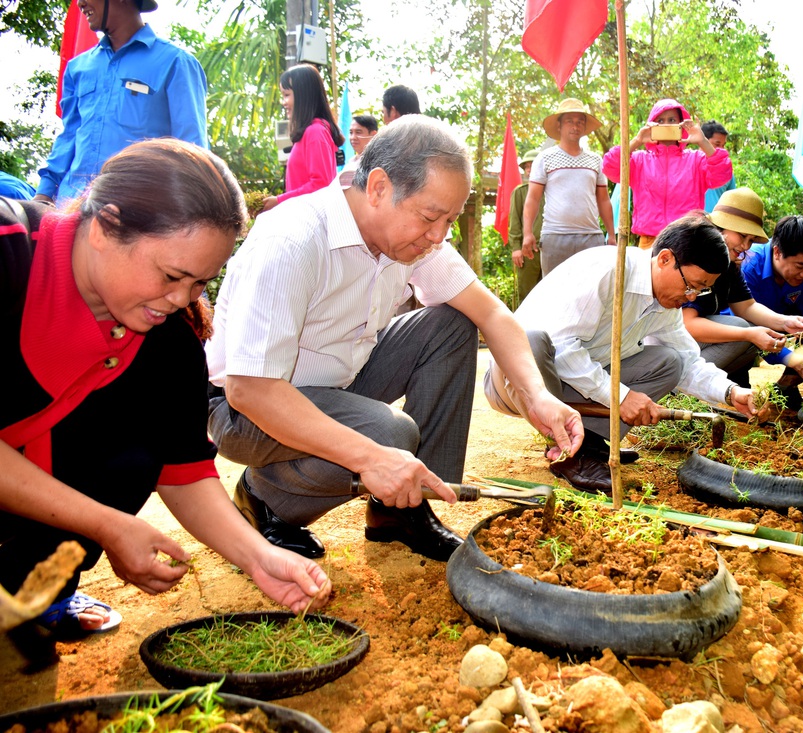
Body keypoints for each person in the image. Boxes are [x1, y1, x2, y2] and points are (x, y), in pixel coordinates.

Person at [1, 140, 330, 664]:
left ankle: (30, 587)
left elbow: (184, 472)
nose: (182, 299)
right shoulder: (8, 249)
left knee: (132, 457)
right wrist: (107, 524)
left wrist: (260, 557)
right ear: (106, 227)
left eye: (200, 282)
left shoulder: (168, 340)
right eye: (173, 276)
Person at [206, 115, 582, 563]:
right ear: (379, 187)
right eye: (429, 217)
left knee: (451, 324)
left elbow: (493, 314)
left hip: (338, 382)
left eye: (450, 220)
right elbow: (250, 389)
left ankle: (404, 510)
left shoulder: (412, 240)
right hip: (244, 407)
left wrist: (536, 396)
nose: (439, 236)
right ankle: (263, 499)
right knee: (389, 433)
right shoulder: (294, 239)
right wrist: (373, 454)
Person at [485, 213, 756, 493]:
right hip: (516, 380)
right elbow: (563, 347)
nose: (690, 297)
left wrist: (731, 393)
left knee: (670, 363)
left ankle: (588, 443)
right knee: (533, 341)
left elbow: (688, 362)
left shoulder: (666, 303)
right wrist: (621, 396)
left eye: (700, 291)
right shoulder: (607, 270)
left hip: (573, 384)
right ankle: (570, 453)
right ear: (664, 259)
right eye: (691, 285)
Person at [34, 0, 208, 205]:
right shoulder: (78, 67)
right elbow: (69, 136)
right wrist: (43, 194)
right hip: (72, 207)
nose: (80, 3)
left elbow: (192, 150)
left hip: (137, 211)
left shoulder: (175, 63)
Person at [683, 188, 803, 389]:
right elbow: (687, 324)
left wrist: (785, 322)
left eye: (751, 240)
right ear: (720, 226)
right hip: (669, 342)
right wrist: (748, 334)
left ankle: (694, 386)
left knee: (753, 334)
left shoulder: (730, 264)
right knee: (745, 330)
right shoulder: (696, 257)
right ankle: (680, 383)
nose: (745, 246)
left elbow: (747, 307)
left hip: (691, 343)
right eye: (742, 236)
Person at [740, 215, 803, 406]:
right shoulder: (749, 265)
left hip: (787, 324)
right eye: (800, 266)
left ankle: (788, 383)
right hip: (747, 329)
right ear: (777, 252)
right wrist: (791, 358)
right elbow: (742, 324)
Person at [602, 99, 732, 248]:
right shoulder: (640, 161)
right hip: (649, 242)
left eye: (671, 120)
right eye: (660, 120)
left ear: (680, 123)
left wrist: (703, 141)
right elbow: (609, 166)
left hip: (688, 241)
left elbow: (722, 174)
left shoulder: (696, 160)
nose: (666, 124)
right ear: (651, 124)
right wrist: (637, 141)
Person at [521, 99, 614, 275]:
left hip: (591, 237)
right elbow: (532, 198)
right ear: (559, 126)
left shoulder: (595, 160)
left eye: (580, 122)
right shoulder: (545, 158)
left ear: (585, 127)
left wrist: (611, 234)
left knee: (592, 293)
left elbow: (603, 199)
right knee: (555, 294)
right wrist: (527, 233)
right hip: (555, 237)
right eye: (569, 121)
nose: (575, 126)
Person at [262, 65, 345, 212]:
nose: (284, 102)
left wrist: (280, 200)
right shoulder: (311, 132)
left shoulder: (315, 133)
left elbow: (321, 184)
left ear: (303, 97)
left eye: (287, 95)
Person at [509, 148, 543, 306]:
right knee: (527, 295)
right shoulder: (520, 193)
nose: (530, 169)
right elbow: (514, 221)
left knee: (552, 294)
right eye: (527, 166)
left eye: (533, 165)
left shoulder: (552, 191)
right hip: (528, 252)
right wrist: (516, 247)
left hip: (551, 249)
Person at [701, 121, 736, 213]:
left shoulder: (726, 171)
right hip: (690, 224)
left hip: (716, 225)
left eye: (723, 145)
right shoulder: (689, 165)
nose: (721, 149)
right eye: (717, 144)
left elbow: (732, 203)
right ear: (703, 141)